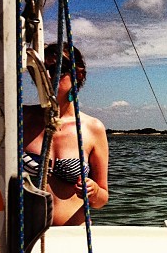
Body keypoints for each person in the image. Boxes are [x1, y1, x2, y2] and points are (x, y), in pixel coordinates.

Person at [23, 43, 109, 225]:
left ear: (78, 75)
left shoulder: (92, 128)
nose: (47, 76)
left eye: (56, 70)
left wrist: (94, 191)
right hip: (25, 238)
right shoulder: (20, 118)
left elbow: (102, 199)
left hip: (73, 236)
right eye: (42, 70)